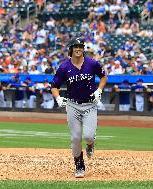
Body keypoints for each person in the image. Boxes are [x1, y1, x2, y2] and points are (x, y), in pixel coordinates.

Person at [51, 37, 107, 178]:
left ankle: (90, 144)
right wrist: (58, 97)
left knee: (88, 136)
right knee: (75, 137)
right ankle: (79, 165)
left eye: (81, 46)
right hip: (72, 105)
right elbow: (54, 86)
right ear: (71, 49)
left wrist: (99, 90)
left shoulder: (92, 63)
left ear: (83, 49)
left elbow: (103, 76)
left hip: (90, 104)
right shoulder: (64, 67)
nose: (78, 49)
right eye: (76, 46)